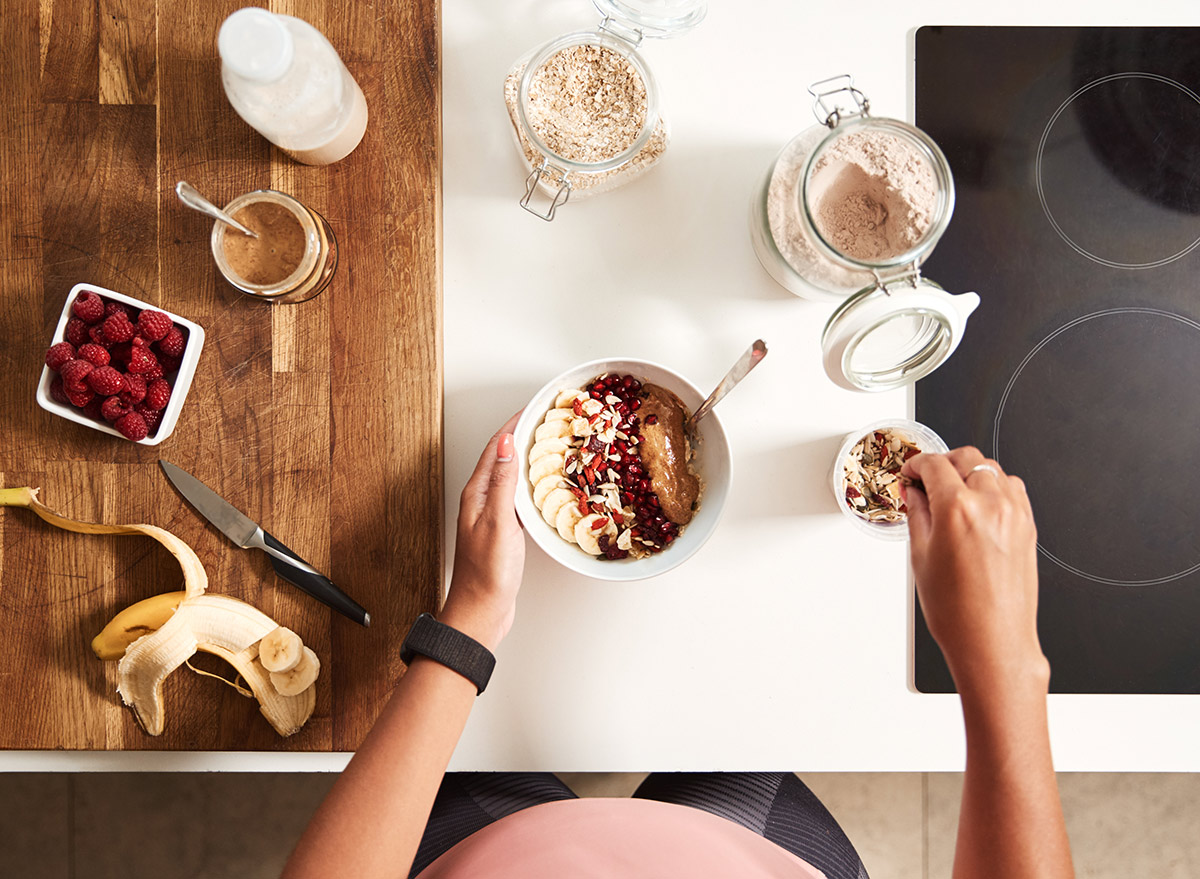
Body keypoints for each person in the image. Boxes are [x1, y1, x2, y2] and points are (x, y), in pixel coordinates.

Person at [282, 418, 1075, 879]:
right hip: (741, 855)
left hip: (490, 853)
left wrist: (472, 620)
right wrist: (1003, 660)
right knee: (736, 731)